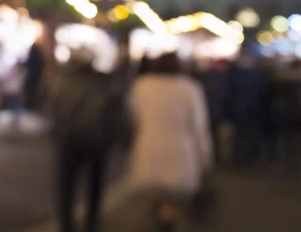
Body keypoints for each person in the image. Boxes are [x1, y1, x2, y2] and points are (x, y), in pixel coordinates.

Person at [128, 53, 212, 231]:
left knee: (158, 193)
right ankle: (166, 221)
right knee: (172, 196)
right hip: (181, 150)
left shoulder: (142, 86)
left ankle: (161, 218)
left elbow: (132, 118)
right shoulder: (190, 89)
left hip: (149, 145)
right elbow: (199, 126)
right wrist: (205, 157)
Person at [49, 47, 127, 232]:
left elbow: (54, 109)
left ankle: (66, 224)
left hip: (70, 139)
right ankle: (91, 222)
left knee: (67, 186)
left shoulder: (65, 82)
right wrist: (117, 137)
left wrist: (57, 131)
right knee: (94, 186)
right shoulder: (103, 82)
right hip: (97, 140)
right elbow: (114, 112)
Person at [228, 52, 265, 167]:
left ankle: (239, 158)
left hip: (239, 110)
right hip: (252, 109)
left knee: (240, 135)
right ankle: (251, 157)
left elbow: (229, 93)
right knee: (251, 133)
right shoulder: (256, 76)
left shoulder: (234, 76)